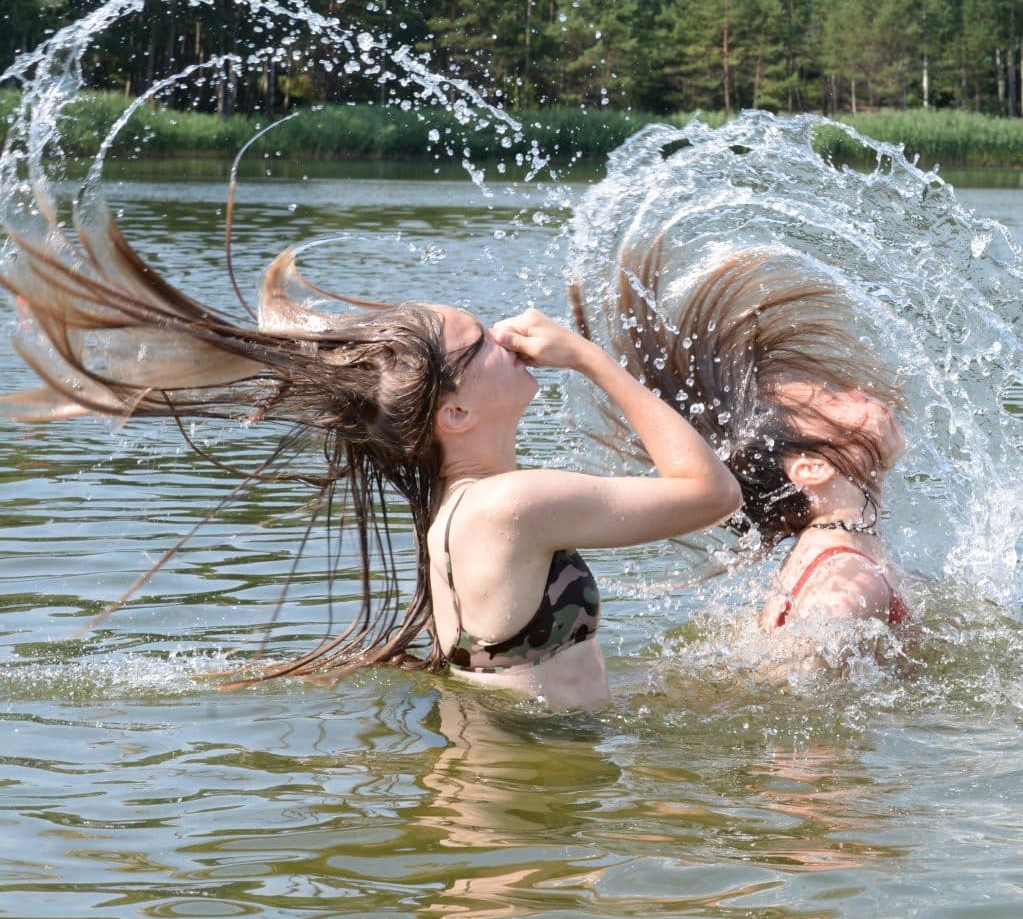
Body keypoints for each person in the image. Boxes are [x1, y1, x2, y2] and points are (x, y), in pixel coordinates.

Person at [1, 193, 740, 709]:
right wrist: (587, 357)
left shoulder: (460, 509)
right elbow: (712, 493)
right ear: (454, 412)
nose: (507, 335)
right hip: (525, 805)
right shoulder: (512, 504)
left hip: (510, 802)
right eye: (480, 342)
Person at [571, 247, 913, 645]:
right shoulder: (848, 581)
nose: (856, 393)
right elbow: (810, 649)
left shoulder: (837, 552)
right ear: (811, 468)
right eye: (831, 400)